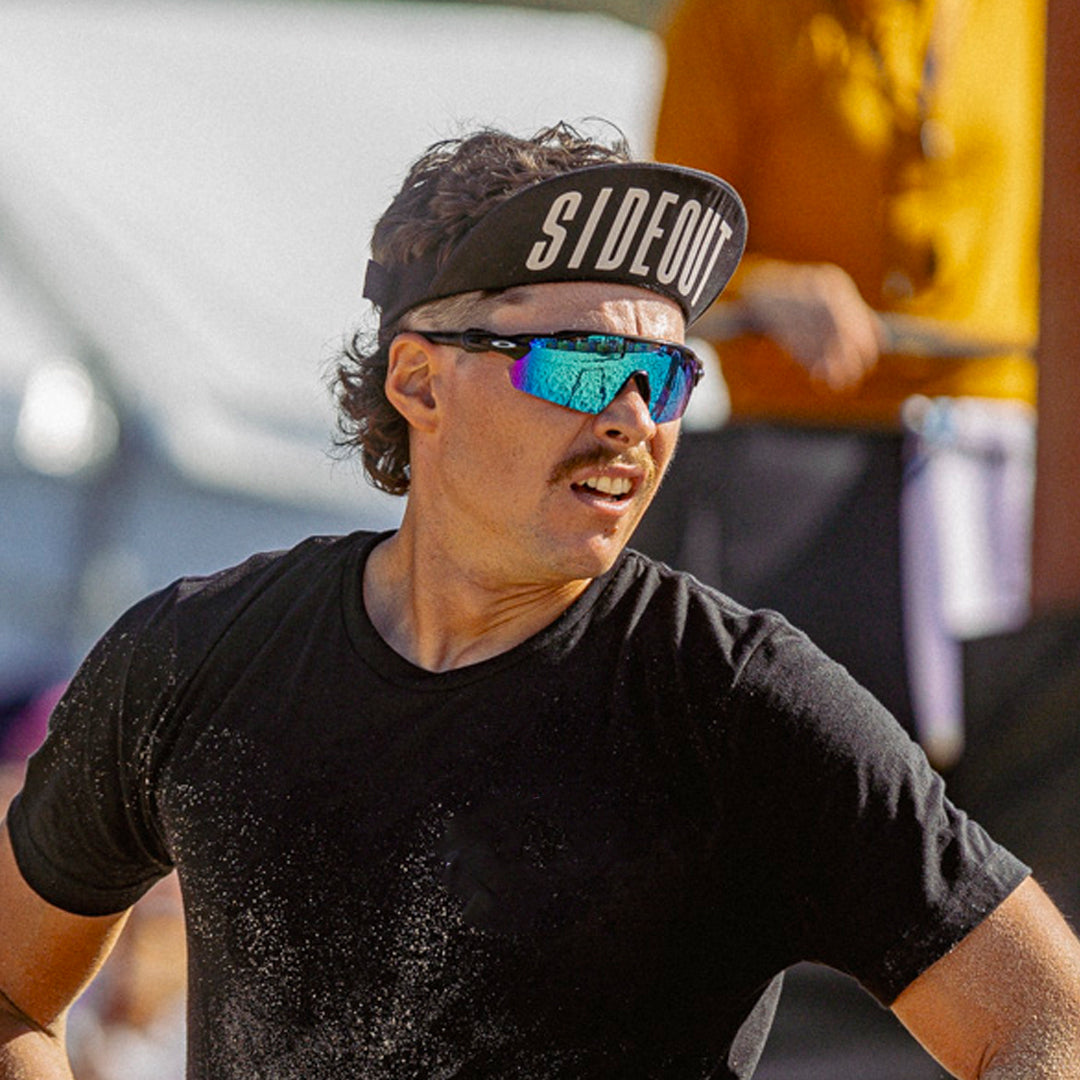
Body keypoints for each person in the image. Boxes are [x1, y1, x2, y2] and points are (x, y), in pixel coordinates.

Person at [1, 122, 1077, 1080]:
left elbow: (1049, 1022)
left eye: (666, 374)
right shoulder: (196, 658)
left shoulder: (736, 704)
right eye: (583, 363)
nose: (634, 418)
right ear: (419, 382)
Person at [633, 0, 1044, 769]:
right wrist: (762, 286)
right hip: (794, 485)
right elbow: (665, 261)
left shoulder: (1039, 19)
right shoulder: (726, 17)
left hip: (1004, 473)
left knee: (1010, 787)